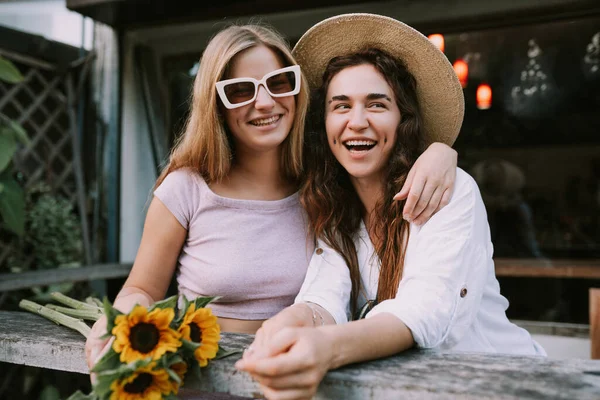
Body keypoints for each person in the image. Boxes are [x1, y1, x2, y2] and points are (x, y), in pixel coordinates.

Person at [84, 23, 459, 370]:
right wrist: (119, 320)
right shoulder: (186, 188)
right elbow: (141, 288)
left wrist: (441, 152)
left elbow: (378, 154)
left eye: (279, 83)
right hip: (207, 379)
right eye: (241, 90)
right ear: (216, 104)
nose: (264, 103)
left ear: (297, 92)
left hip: (303, 378)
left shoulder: (325, 180)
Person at [237, 14, 546, 400]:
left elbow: (422, 313)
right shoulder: (335, 205)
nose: (358, 122)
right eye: (341, 106)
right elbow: (323, 297)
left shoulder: (450, 191)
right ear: (324, 123)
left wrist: (327, 347)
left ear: (404, 120)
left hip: (506, 386)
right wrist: (285, 325)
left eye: (377, 105)